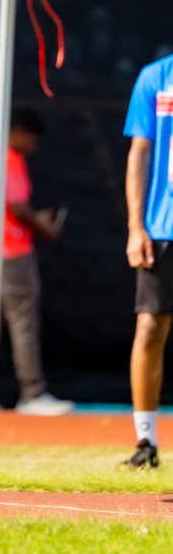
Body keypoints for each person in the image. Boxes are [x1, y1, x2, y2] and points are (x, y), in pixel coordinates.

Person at [0, 108, 75, 415]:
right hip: (11, 253)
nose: (32, 148)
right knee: (23, 324)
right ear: (20, 132)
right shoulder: (7, 158)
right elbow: (18, 207)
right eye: (32, 140)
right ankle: (32, 394)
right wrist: (44, 225)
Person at [121, 53, 173, 469]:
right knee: (150, 325)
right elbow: (139, 152)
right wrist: (136, 227)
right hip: (162, 226)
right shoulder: (155, 77)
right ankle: (146, 442)